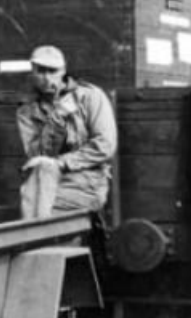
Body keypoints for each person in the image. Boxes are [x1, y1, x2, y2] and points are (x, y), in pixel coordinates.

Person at [16, 46, 117, 220]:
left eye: (52, 71)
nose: (47, 78)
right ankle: (39, 240)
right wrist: (56, 120)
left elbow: (105, 145)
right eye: (41, 71)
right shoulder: (27, 111)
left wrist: (62, 163)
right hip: (44, 179)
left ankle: (38, 239)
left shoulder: (90, 96)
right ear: (32, 72)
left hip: (88, 180)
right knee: (35, 198)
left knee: (41, 208)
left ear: (63, 71)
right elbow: (36, 156)